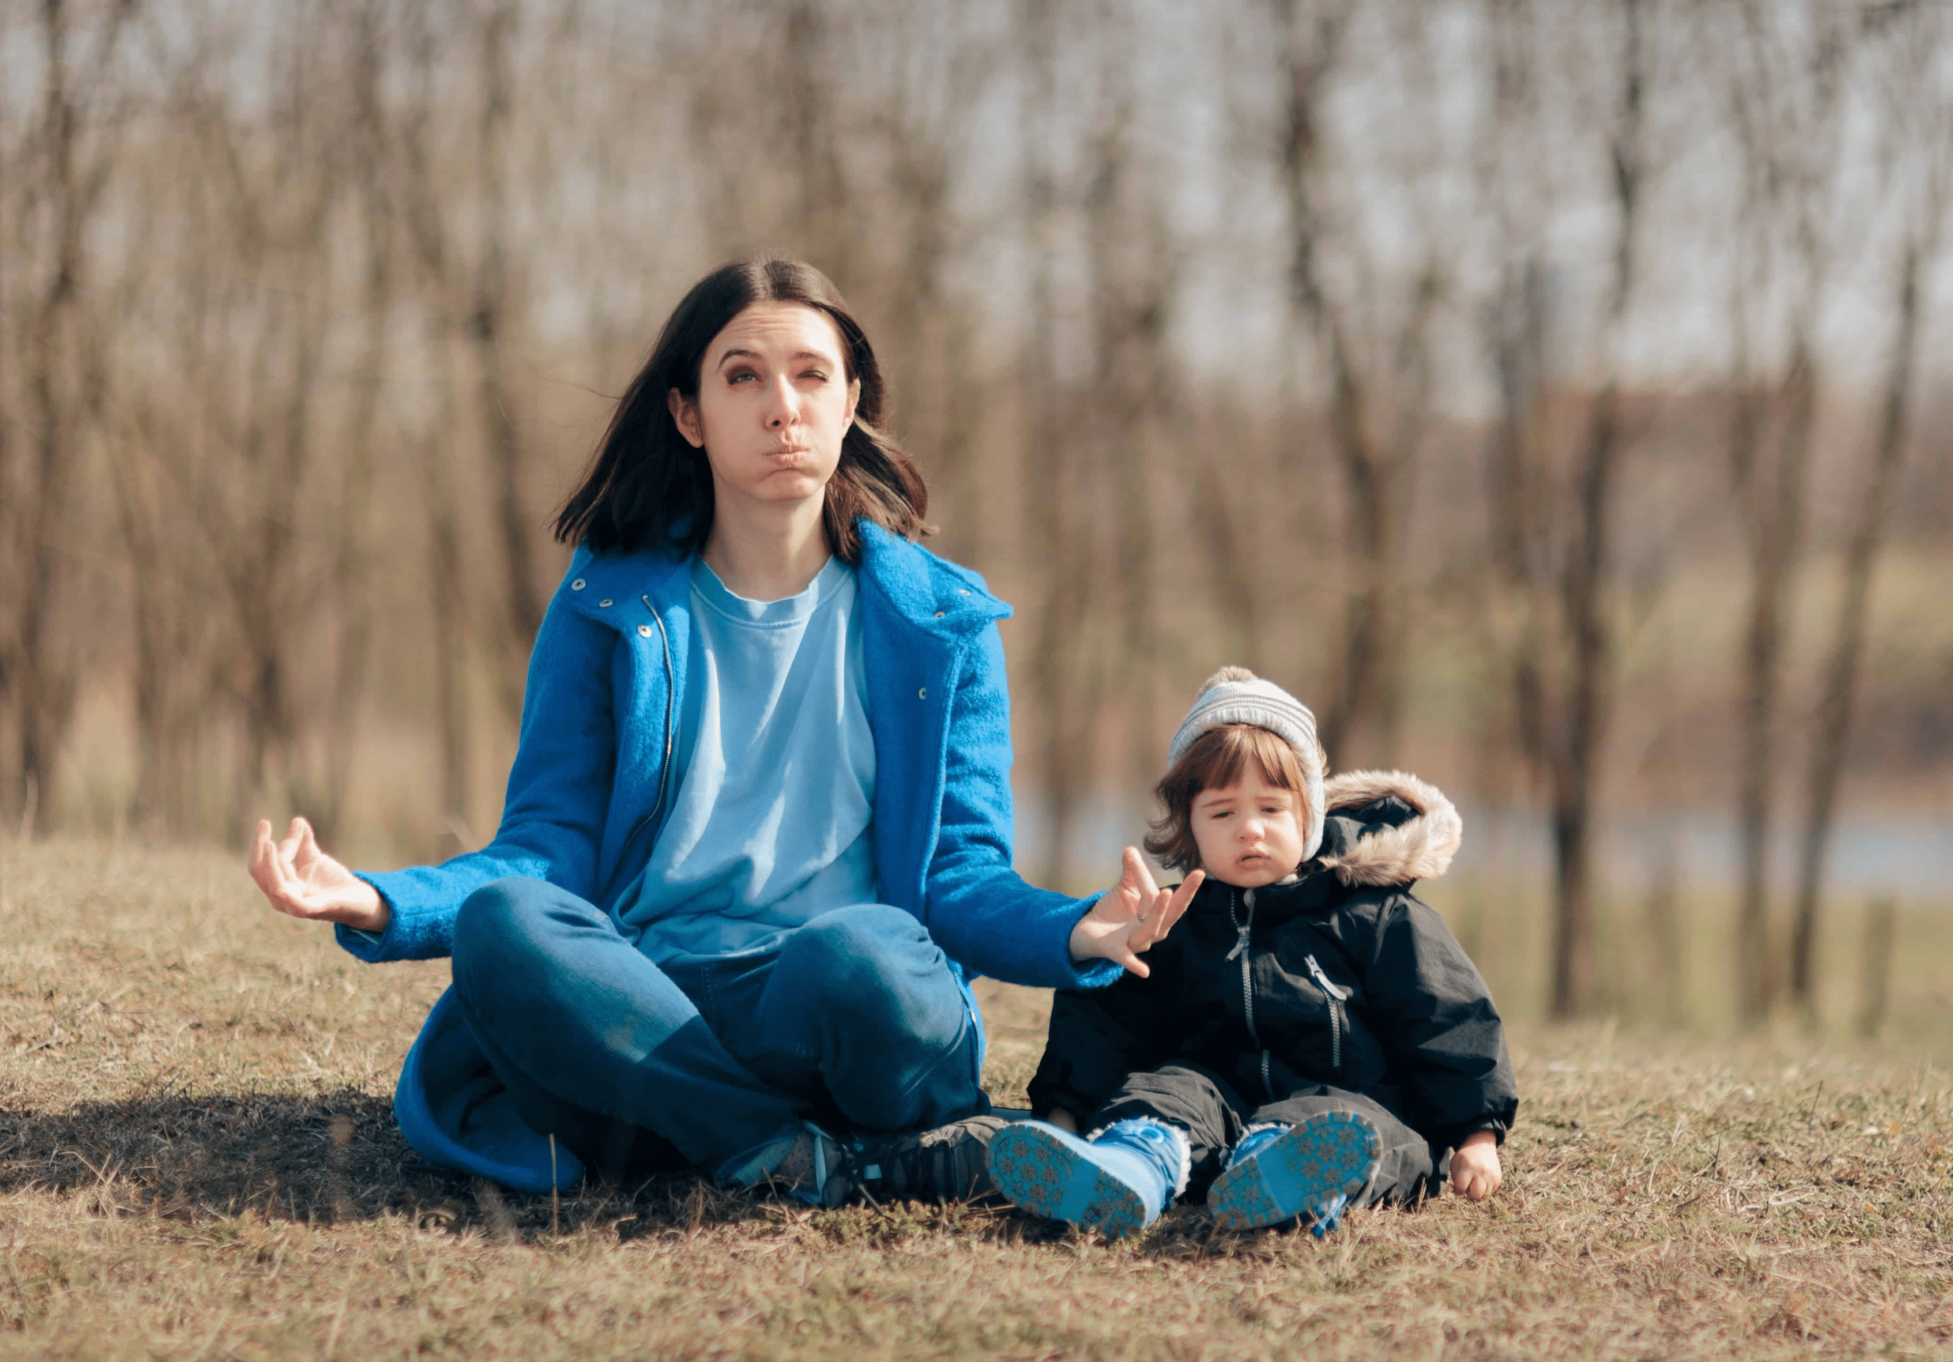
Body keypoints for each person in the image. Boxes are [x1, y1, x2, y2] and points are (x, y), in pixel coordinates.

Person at [248, 257, 1194, 1204]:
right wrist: (379, 900)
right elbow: (544, 851)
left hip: (835, 1010)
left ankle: (705, 1134)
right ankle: (797, 1152)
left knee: (861, 953)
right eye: (743, 376)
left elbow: (960, 877)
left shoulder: (940, 627)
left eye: (811, 375)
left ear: (850, 398)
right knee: (506, 923)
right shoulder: (606, 607)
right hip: (645, 1008)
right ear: (688, 414)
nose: (782, 406)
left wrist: (1075, 929)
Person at [990, 667, 1516, 1237]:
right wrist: (1065, 1113)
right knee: (1163, 1094)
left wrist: (1477, 1136)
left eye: (1271, 809)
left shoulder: (1374, 914)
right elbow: (1104, 1021)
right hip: (1211, 1107)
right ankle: (1124, 1171)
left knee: (1351, 1126)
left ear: (1310, 814)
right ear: (1188, 824)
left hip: (1352, 1103)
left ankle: (1287, 1178)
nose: (1250, 830)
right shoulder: (1172, 918)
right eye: (1222, 813)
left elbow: (1448, 1020)